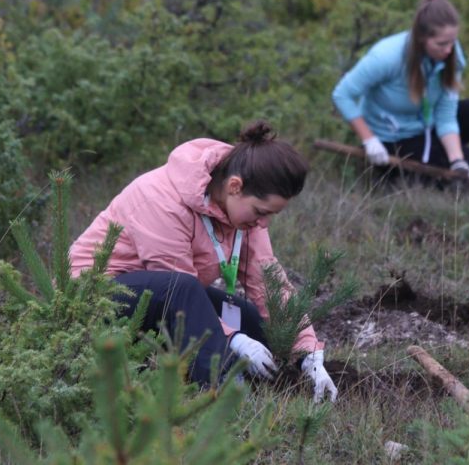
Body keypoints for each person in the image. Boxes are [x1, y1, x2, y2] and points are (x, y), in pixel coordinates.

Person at [69, 120, 337, 403]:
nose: (264, 223)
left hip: (161, 298)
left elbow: (268, 282)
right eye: (261, 211)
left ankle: (293, 381)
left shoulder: (243, 217)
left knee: (245, 314)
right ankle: (223, 393)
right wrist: (232, 339)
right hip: (95, 299)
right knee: (186, 290)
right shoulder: (160, 199)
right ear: (235, 186)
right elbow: (174, 291)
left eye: (272, 215)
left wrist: (308, 353)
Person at [332, 0, 469, 186]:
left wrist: (457, 161)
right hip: (392, 138)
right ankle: (392, 178)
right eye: (441, 44)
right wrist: (369, 140)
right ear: (422, 39)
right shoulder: (386, 57)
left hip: (427, 123)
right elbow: (342, 94)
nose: (449, 50)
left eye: (452, 42)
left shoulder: (451, 56)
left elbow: (446, 115)